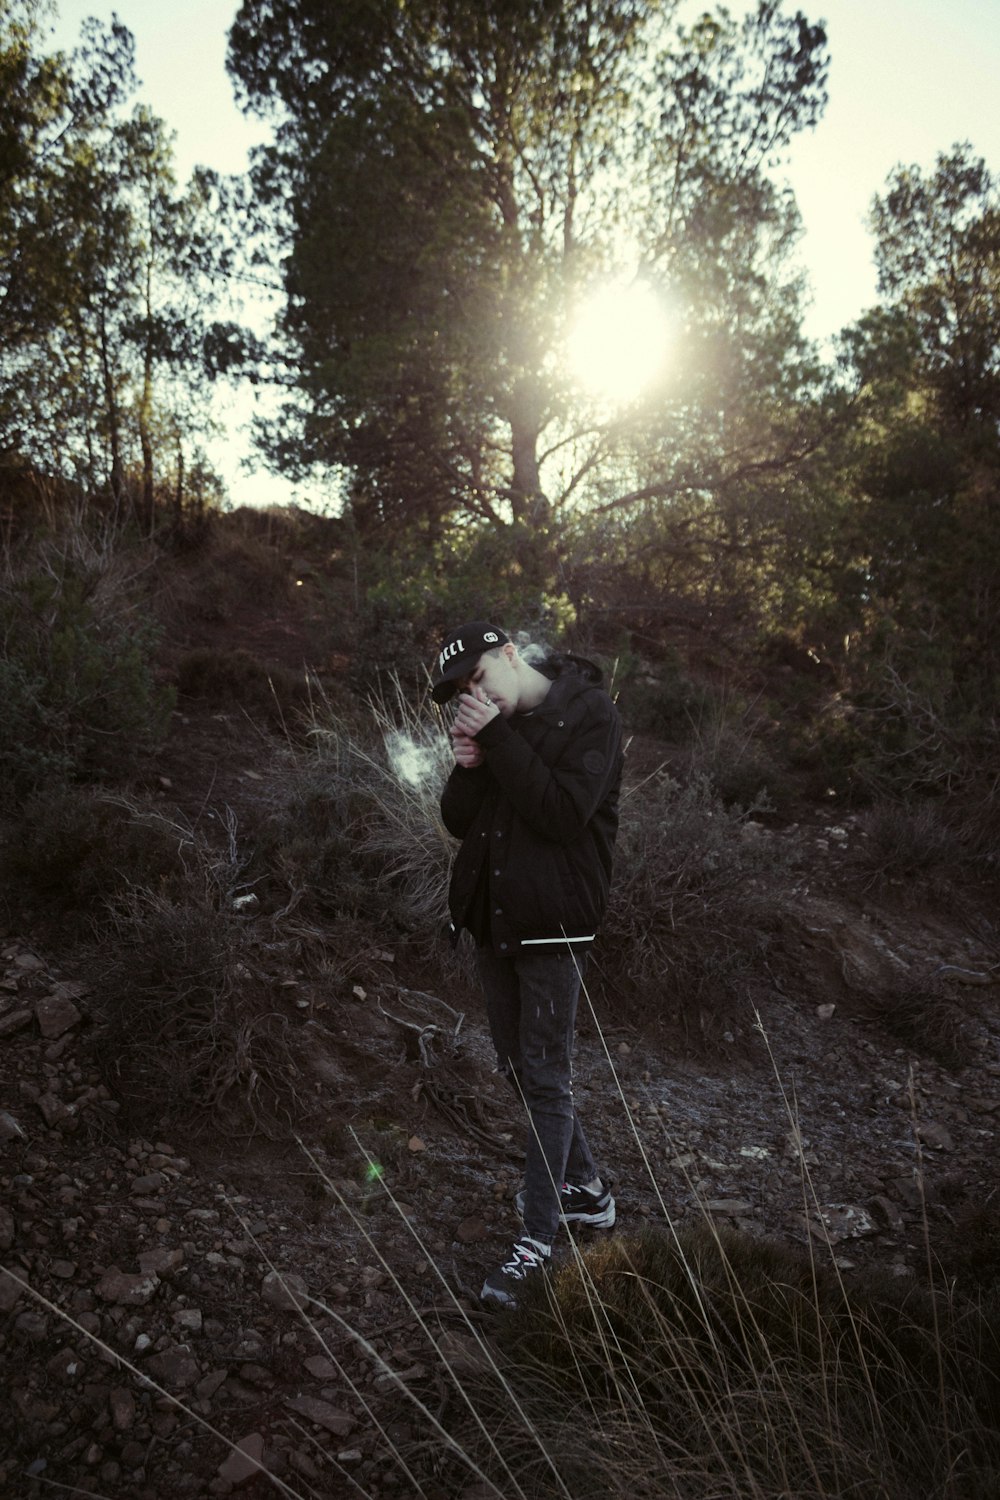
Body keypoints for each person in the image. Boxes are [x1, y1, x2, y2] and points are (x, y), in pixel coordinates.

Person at [432, 621, 624, 1308]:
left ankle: (537, 1243)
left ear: (510, 655)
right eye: (461, 692)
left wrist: (497, 741)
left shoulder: (590, 713)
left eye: (479, 678)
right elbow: (460, 823)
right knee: (517, 1067)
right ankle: (589, 1194)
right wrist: (467, 764)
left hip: (552, 926)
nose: (473, 696)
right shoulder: (497, 731)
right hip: (495, 922)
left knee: (546, 1077)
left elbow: (563, 814)